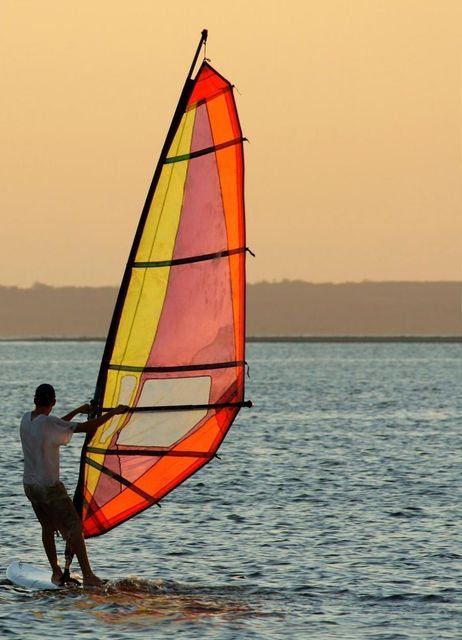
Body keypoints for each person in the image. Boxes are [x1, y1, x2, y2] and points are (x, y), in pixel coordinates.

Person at [20, 383, 128, 587]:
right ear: (53, 402)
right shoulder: (48, 423)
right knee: (75, 527)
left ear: (35, 400)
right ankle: (88, 575)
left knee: (47, 527)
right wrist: (114, 413)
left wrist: (79, 410)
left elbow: (57, 424)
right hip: (49, 488)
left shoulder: (27, 419)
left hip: (30, 486)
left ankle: (55, 572)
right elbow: (87, 427)